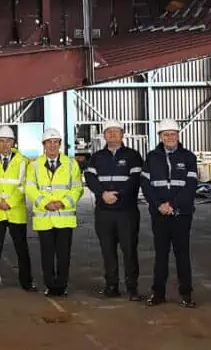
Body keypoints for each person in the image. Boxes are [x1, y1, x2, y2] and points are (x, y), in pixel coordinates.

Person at [84, 120, 145, 301]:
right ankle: (111, 286)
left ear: (122, 134)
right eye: (108, 132)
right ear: (104, 135)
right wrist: (102, 194)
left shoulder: (133, 156)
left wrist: (116, 195)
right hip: (104, 212)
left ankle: (132, 288)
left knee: (129, 250)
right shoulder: (96, 157)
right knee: (107, 250)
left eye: (116, 132)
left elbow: (135, 179)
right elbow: (89, 177)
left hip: (126, 211)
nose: (112, 135)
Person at [141, 118, 198, 308]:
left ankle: (186, 294)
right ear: (160, 137)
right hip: (159, 215)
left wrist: (172, 204)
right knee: (161, 255)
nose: (170, 137)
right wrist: (159, 205)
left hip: (181, 214)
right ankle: (158, 294)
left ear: (178, 135)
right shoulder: (151, 157)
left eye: (173, 134)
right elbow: (146, 186)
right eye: (166, 134)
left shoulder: (188, 157)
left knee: (182, 254)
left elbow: (190, 187)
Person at [25, 128, 83, 297]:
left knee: (64, 255)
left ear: (60, 144)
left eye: (55, 142)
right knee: (47, 254)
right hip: (44, 218)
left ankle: (62, 285)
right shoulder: (34, 165)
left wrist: (62, 203)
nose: (52, 145)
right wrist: (44, 203)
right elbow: (30, 187)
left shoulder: (71, 164)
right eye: (49, 142)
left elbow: (77, 188)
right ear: (43, 145)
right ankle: (50, 285)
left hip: (64, 218)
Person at [0, 126, 36, 293]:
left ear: (13, 143)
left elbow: (25, 184)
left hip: (16, 211)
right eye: (1, 141)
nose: (5, 145)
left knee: (22, 249)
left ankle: (27, 282)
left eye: (8, 141)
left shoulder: (23, 162)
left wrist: (9, 202)